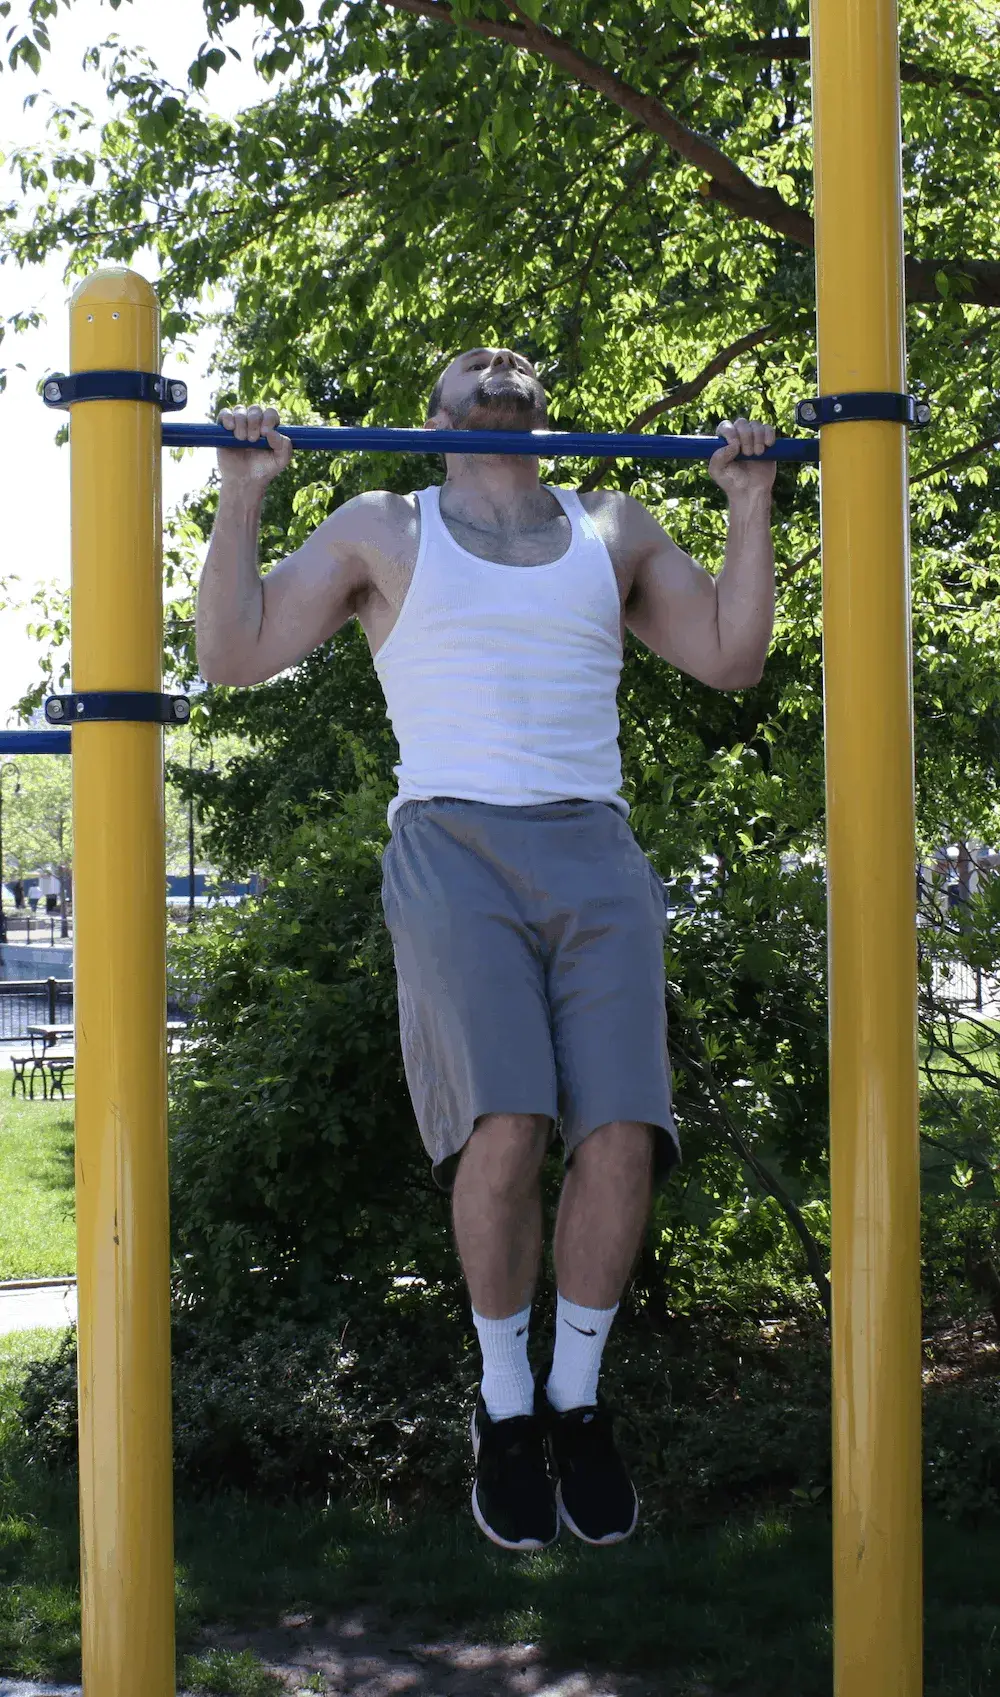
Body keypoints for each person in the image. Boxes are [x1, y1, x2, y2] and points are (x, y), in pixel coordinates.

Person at [196, 349, 776, 1552]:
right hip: (452, 841)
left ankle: (576, 1395)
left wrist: (748, 505)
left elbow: (728, 655)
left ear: (540, 409)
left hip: (594, 843)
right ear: (437, 412)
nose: (501, 367)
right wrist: (243, 493)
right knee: (506, 1122)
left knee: (622, 1130)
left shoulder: (611, 521)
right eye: (474, 365)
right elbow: (231, 654)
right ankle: (504, 1401)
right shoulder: (384, 525)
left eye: (516, 363)